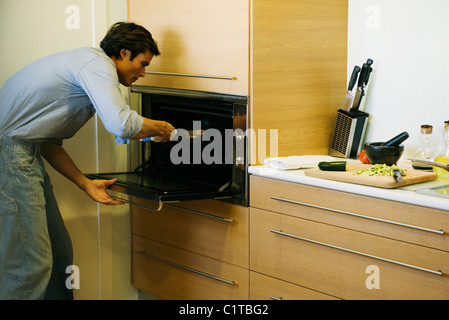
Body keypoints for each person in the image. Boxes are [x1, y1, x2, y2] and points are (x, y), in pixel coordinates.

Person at [0, 22, 175, 299]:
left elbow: (48, 143)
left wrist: (85, 184)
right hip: (10, 156)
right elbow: (122, 124)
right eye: (142, 64)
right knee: (29, 266)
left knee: (59, 254)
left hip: (25, 154)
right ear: (123, 52)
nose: (143, 73)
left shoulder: (87, 66)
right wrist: (161, 128)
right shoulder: (96, 65)